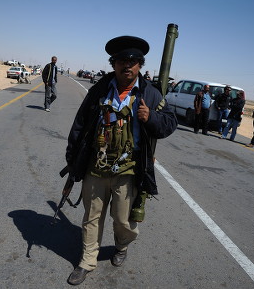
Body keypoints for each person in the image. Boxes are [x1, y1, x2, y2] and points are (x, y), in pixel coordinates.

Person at [65, 36, 177, 285]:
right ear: (113, 63)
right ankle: (87, 261)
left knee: (123, 220)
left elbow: (170, 124)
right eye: (121, 60)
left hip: (129, 169)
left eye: (133, 61)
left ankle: (122, 246)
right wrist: (72, 160)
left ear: (139, 65)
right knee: (91, 217)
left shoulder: (151, 93)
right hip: (97, 165)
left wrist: (151, 119)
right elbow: (80, 124)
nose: (127, 65)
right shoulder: (99, 90)